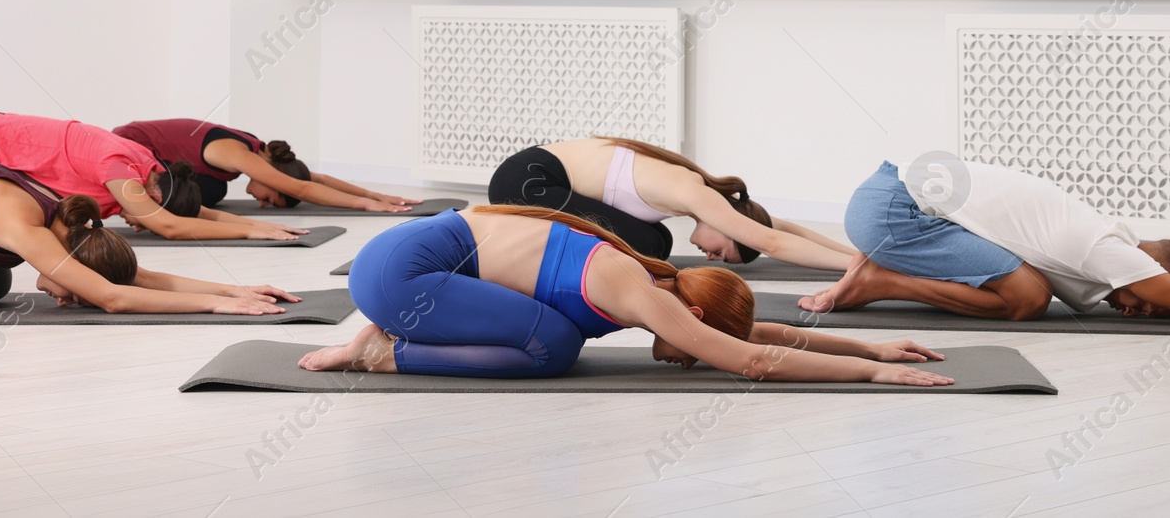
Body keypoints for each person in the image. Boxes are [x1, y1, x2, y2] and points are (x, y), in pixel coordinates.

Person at [300, 204, 954, 386]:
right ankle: (380, 354)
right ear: (691, 313)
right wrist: (871, 373)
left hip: (393, 261)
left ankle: (386, 341)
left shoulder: (660, 283)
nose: (691, 356)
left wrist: (869, 341)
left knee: (556, 335)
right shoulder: (639, 288)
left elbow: (756, 336)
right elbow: (751, 359)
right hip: (398, 281)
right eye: (698, 344)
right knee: (553, 346)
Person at [799, 159, 1170, 331]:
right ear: (1146, 268)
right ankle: (880, 278)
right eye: (1150, 298)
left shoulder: (1119, 249)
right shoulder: (1108, 253)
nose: (1143, 307)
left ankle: (881, 269)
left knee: (1029, 287)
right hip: (891, 211)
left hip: (890, 196)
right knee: (1026, 299)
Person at [0, 149, 294, 315]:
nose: (67, 299)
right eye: (79, 295)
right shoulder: (26, 226)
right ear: (75, 261)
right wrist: (215, 304)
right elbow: (114, 297)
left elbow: (138, 277)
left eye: (77, 298)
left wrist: (236, 289)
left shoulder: (65, 224)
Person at [486, 138, 854, 270]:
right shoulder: (693, 192)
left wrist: (858, 254)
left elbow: (780, 227)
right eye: (723, 254)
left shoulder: (706, 195)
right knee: (651, 245)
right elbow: (770, 242)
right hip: (527, 182)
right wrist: (854, 267)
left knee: (656, 240)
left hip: (531, 175)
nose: (711, 258)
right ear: (728, 227)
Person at [0, 113, 307, 242]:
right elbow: (171, 226)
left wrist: (256, 224)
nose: (137, 222)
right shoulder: (121, 168)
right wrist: (249, 231)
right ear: (148, 189)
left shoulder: (152, 171)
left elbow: (193, 215)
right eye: (144, 210)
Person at [112, 117, 420, 213]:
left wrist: (380, 195)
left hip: (150, 157)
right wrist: (366, 206)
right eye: (270, 199)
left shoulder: (259, 152)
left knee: (213, 189)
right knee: (207, 192)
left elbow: (318, 178)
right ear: (275, 179)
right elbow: (301, 186)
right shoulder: (238, 155)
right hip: (127, 150)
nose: (261, 203)